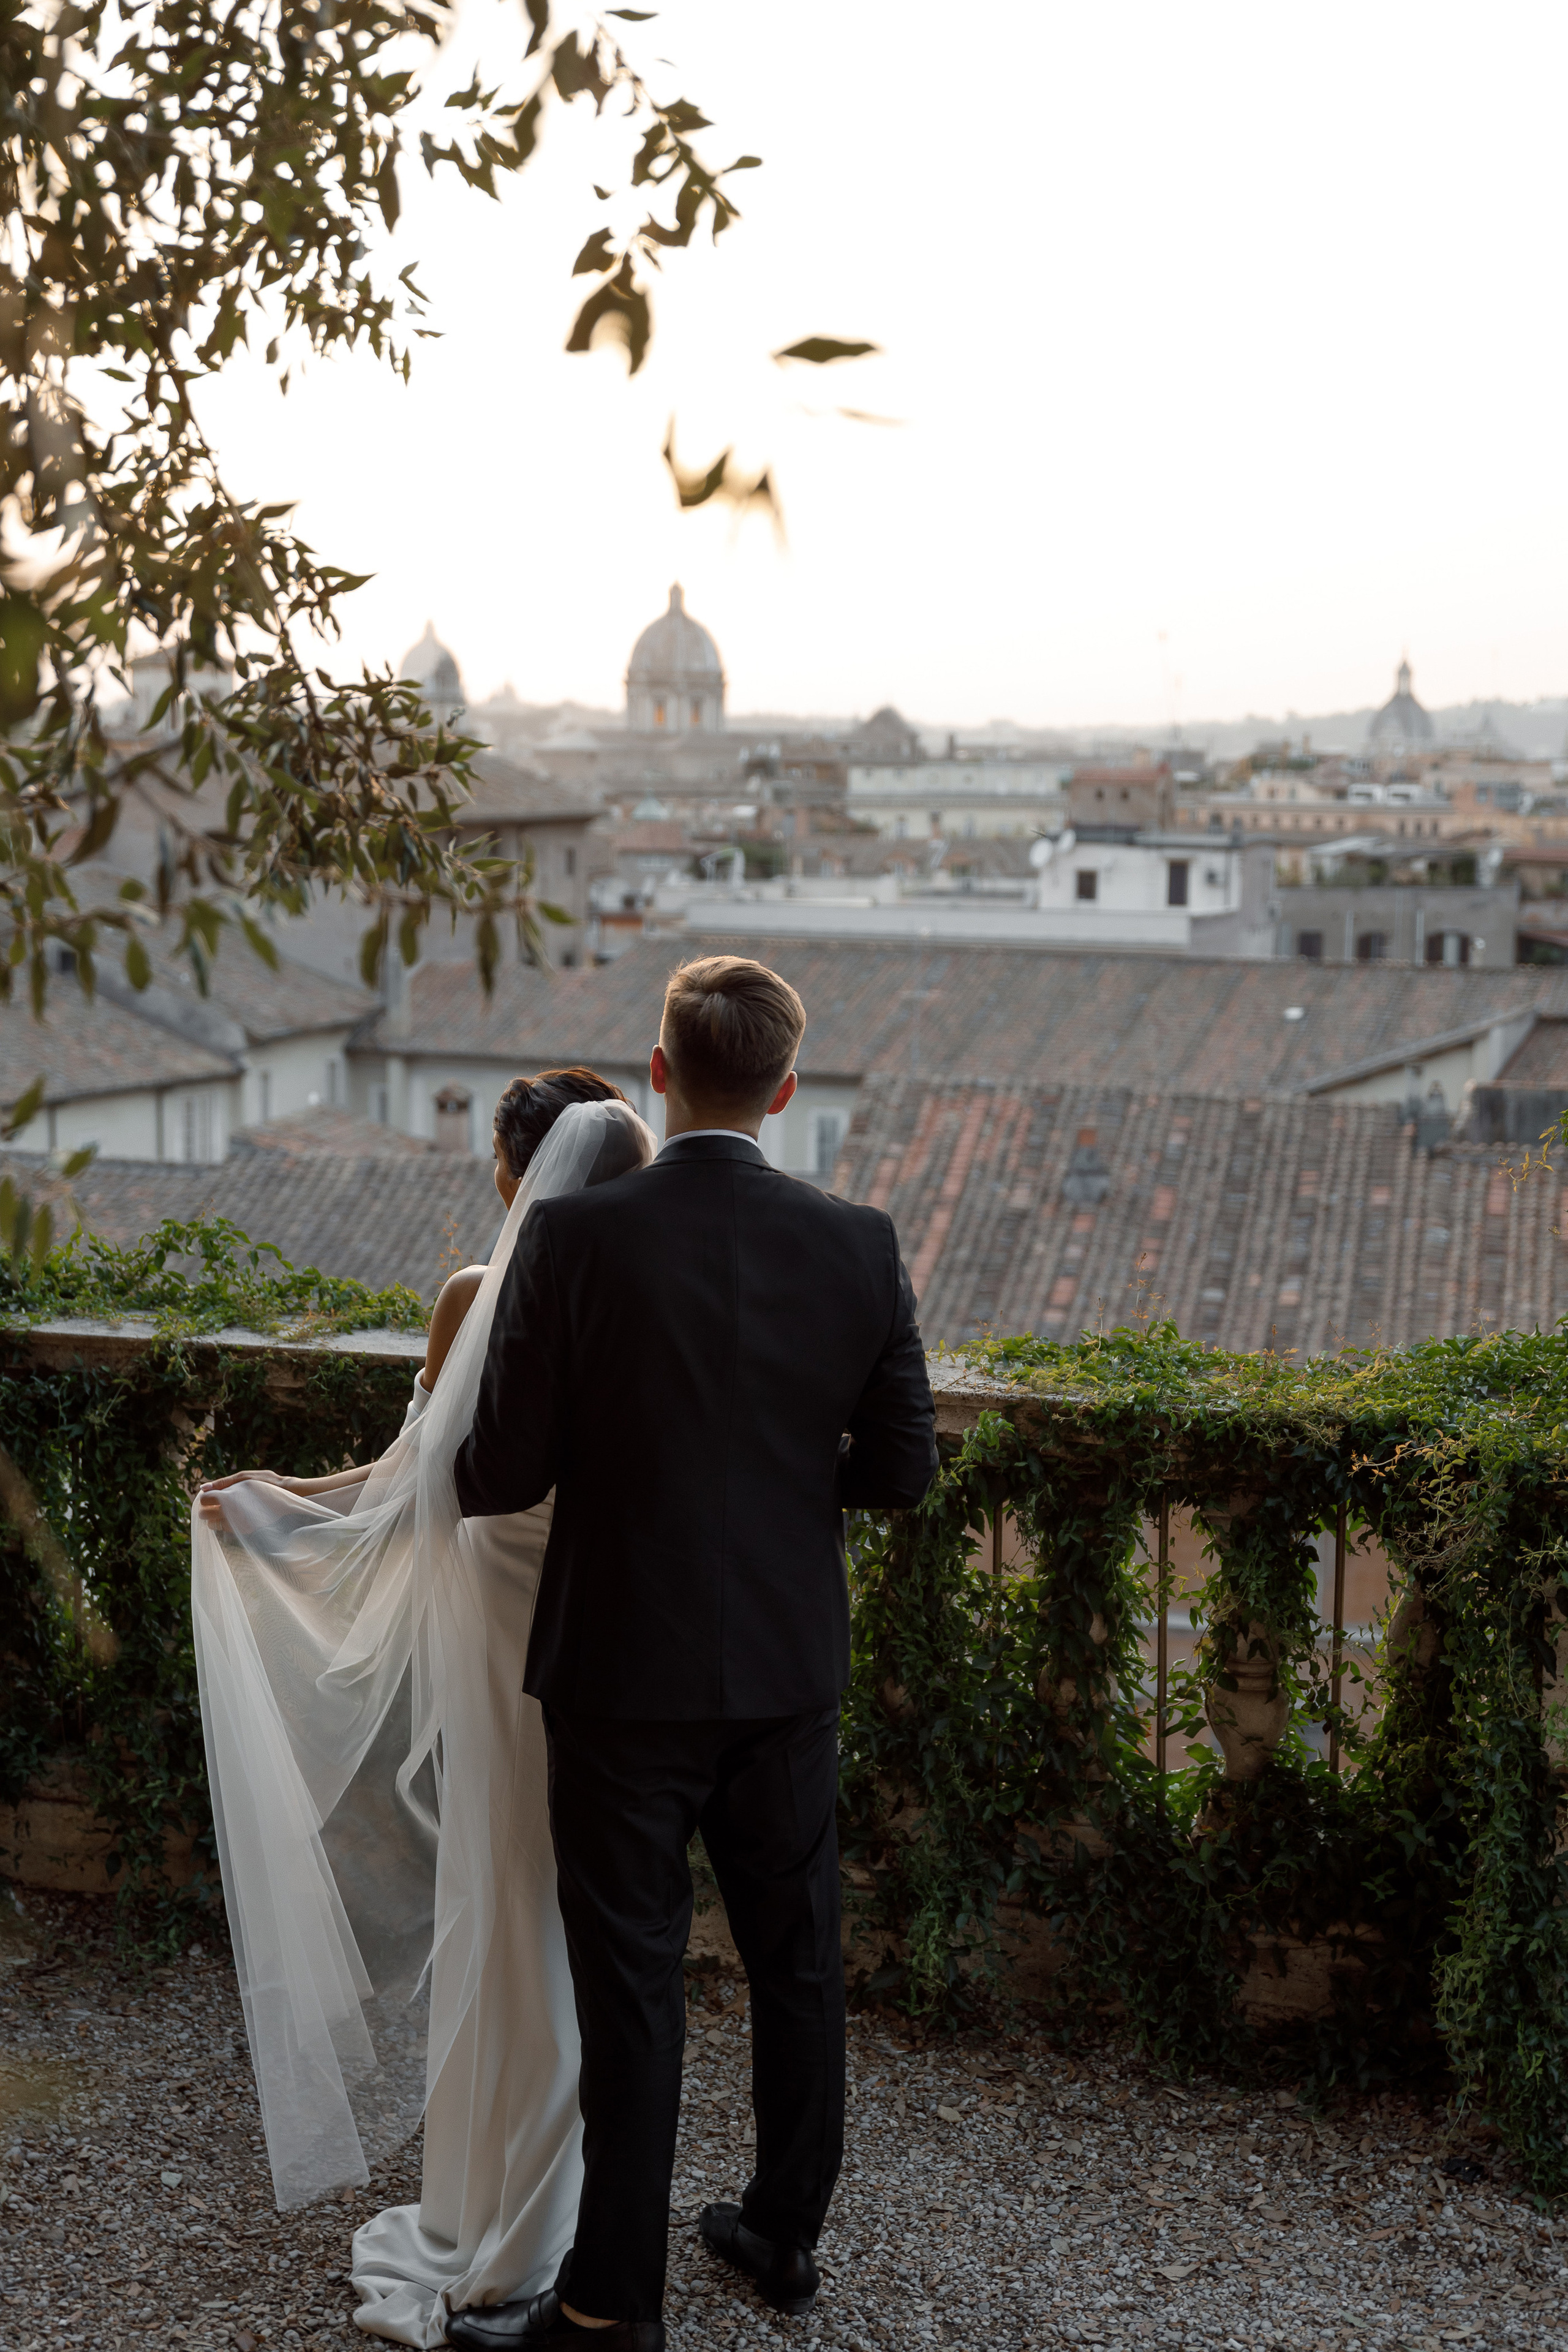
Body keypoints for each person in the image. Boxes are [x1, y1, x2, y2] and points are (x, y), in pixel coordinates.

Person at [446, 954, 938, 2352]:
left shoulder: (575, 1243)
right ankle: (780, 2238)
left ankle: (611, 2306)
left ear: (658, 1072)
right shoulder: (860, 1242)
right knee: (794, 1962)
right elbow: (901, 1472)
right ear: (784, 1088)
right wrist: (774, 1492)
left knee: (631, 1985)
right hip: (783, 1672)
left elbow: (498, 1474)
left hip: (616, 1675)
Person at [190, 1071, 655, 2352]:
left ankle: (495, 2222)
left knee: (505, 1919)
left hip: (505, 1642)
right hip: (616, 1656)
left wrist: (280, 1503)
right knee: (580, 1937)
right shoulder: (649, 1302)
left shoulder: (479, 1292)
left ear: (516, 1177)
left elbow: (409, 1486)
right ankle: (561, 2224)